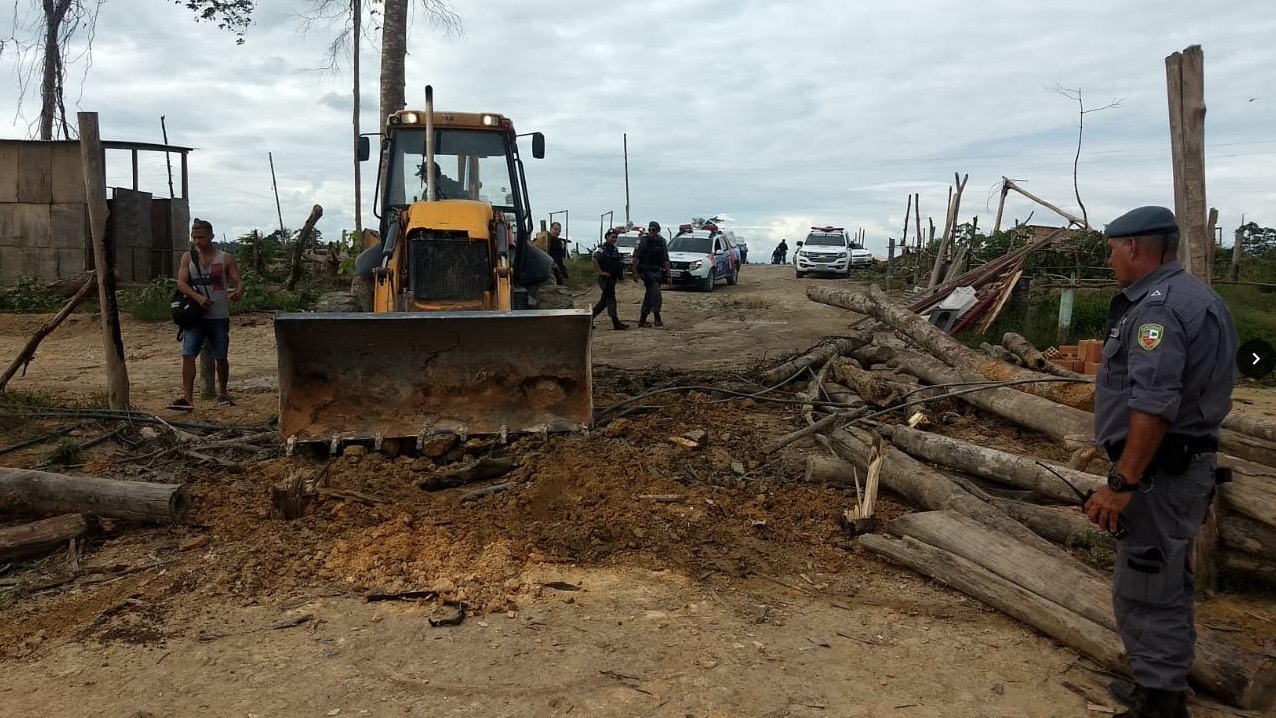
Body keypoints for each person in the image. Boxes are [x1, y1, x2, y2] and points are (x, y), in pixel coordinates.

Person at [1083, 206, 1238, 718]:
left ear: (1134, 247)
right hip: (1176, 469)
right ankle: (1160, 689)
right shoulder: (1199, 299)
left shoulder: (1158, 309)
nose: (1110, 261)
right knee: (1165, 581)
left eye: (1111, 250)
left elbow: (1153, 404)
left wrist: (1123, 479)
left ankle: (1161, 704)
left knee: (1146, 587)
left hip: (1159, 476)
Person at [168, 218, 245, 411]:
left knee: (221, 356)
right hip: (195, 316)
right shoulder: (188, 258)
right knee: (188, 355)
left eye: (201, 237)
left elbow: (239, 281)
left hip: (218, 316)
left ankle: (223, 393)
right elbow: (181, 283)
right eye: (194, 237)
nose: (197, 241)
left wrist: (238, 292)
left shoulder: (225, 258)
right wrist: (198, 298)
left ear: (211, 236)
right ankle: (187, 398)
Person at [631, 220, 671, 328]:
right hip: (645, 271)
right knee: (656, 294)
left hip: (657, 271)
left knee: (649, 296)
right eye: (649, 229)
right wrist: (634, 273)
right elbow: (635, 257)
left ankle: (642, 320)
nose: (651, 231)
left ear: (658, 230)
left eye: (653, 230)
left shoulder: (661, 241)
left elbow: (665, 259)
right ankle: (657, 317)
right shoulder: (643, 241)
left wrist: (669, 275)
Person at [591, 228, 629, 330]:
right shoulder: (602, 249)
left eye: (615, 237)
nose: (614, 239)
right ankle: (615, 321)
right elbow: (594, 260)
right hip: (604, 278)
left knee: (604, 301)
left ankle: (589, 319)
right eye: (612, 237)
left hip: (612, 278)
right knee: (611, 298)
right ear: (607, 237)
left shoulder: (614, 249)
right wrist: (600, 272)